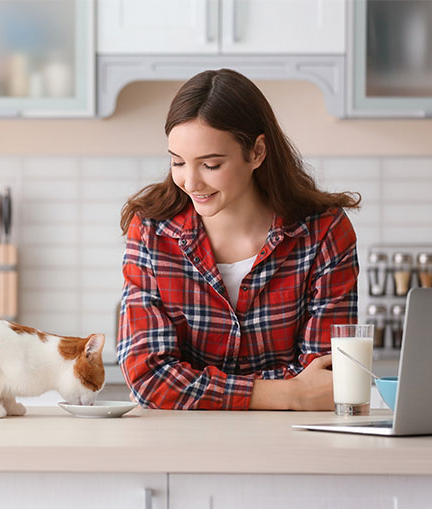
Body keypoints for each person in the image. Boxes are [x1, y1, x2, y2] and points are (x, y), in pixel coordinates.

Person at [117, 69, 361, 411]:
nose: (190, 182)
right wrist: (290, 394)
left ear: (257, 152)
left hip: (292, 444)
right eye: (177, 162)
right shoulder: (151, 232)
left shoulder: (324, 232)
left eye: (211, 165)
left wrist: (189, 387)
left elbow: (324, 378)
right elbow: (149, 377)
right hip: (182, 445)